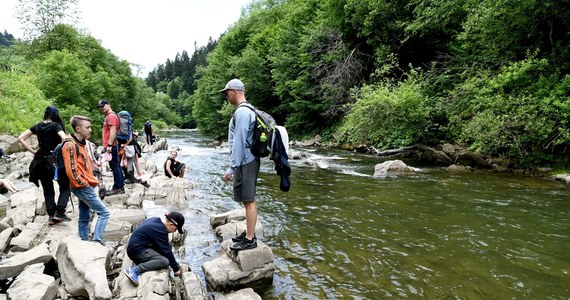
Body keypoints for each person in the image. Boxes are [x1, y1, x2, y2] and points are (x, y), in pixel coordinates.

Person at [220, 79, 260, 251]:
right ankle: (249, 233)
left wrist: (232, 167)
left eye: (226, 92)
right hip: (246, 160)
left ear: (235, 91)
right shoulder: (245, 110)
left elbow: (239, 142)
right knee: (246, 200)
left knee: (249, 200)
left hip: (246, 161)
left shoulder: (242, 112)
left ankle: (250, 239)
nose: (226, 96)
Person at [18, 106, 72, 225]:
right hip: (53, 160)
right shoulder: (56, 125)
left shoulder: (37, 126)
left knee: (47, 188)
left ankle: (51, 215)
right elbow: (64, 139)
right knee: (65, 186)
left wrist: (32, 151)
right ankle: (60, 211)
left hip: (39, 161)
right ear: (56, 115)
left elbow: (20, 138)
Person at [62, 115, 110, 243]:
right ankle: (97, 241)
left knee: (84, 215)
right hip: (82, 186)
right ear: (78, 128)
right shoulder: (70, 145)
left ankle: (83, 241)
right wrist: (83, 184)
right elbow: (70, 169)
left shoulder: (81, 143)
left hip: (85, 184)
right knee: (104, 213)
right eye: (87, 127)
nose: (90, 130)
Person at [124, 212, 185, 286]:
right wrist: (176, 269)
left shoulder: (155, 220)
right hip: (136, 251)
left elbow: (165, 247)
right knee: (164, 261)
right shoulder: (160, 230)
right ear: (171, 224)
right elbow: (167, 252)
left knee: (167, 247)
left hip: (138, 246)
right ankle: (135, 270)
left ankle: (144, 263)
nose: (175, 231)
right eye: (176, 229)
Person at [97, 99, 124, 196]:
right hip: (113, 145)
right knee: (116, 165)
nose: (101, 108)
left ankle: (117, 188)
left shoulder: (111, 116)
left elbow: (112, 131)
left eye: (103, 106)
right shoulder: (111, 116)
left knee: (115, 166)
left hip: (112, 145)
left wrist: (109, 145)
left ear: (108, 105)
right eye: (100, 107)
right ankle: (120, 186)